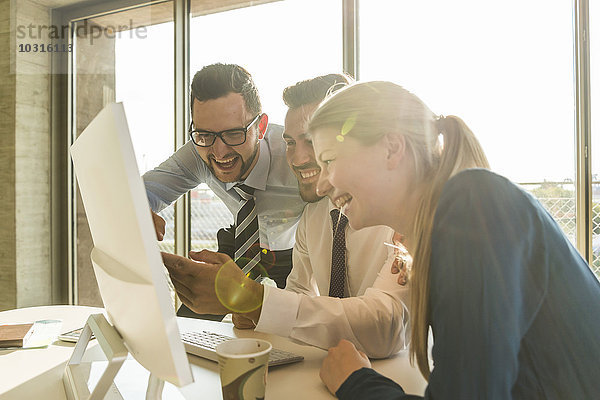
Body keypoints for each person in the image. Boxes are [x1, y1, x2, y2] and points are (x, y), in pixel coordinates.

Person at [309, 81, 600, 399]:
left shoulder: (473, 205)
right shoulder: (454, 217)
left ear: (392, 148)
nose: (321, 185)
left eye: (328, 160)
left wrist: (356, 382)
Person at [161, 74, 411, 358]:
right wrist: (256, 313)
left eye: (315, 142)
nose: (298, 159)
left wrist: (257, 302)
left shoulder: (402, 221)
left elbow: (388, 328)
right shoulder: (314, 216)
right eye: (290, 143)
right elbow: (298, 302)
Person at [143, 63, 306, 302]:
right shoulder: (198, 152)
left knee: (292, 321)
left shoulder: (295, 156)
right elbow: (138, 193)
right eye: (205, 135)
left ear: (260, 128)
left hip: (293, 250)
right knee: (197, 310)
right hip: (241, 240)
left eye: (233, 134)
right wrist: (134, 210)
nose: (219, 152)